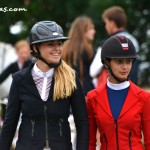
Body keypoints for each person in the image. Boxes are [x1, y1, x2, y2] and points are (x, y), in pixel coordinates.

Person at [0, 21, 88, 150]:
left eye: (59, 43)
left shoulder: (71, 78)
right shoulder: (20, 80)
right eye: (50, 44)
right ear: (35, 48)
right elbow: (9, 125)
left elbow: (82, 123)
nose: (57, 48)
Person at [87, 35, 150, 150]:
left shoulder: (145, 98)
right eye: (119, 61)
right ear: (107, 62)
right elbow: (90, 143)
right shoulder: (93, 97)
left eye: (128, 61)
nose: (125, 67)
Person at [90, 6, 139, 86]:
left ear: (112, 23)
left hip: (112, 90)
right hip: (132, 89)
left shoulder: (108, 43)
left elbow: (93, 71)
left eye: (106, 23)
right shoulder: (133, 41)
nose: (106, 26)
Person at [62, 16, 96, 95]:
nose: (94, 31)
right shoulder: (88, 51)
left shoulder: (65, 49)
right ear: (82, 30)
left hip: (66, 93)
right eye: (90, 28)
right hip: (86, 94)